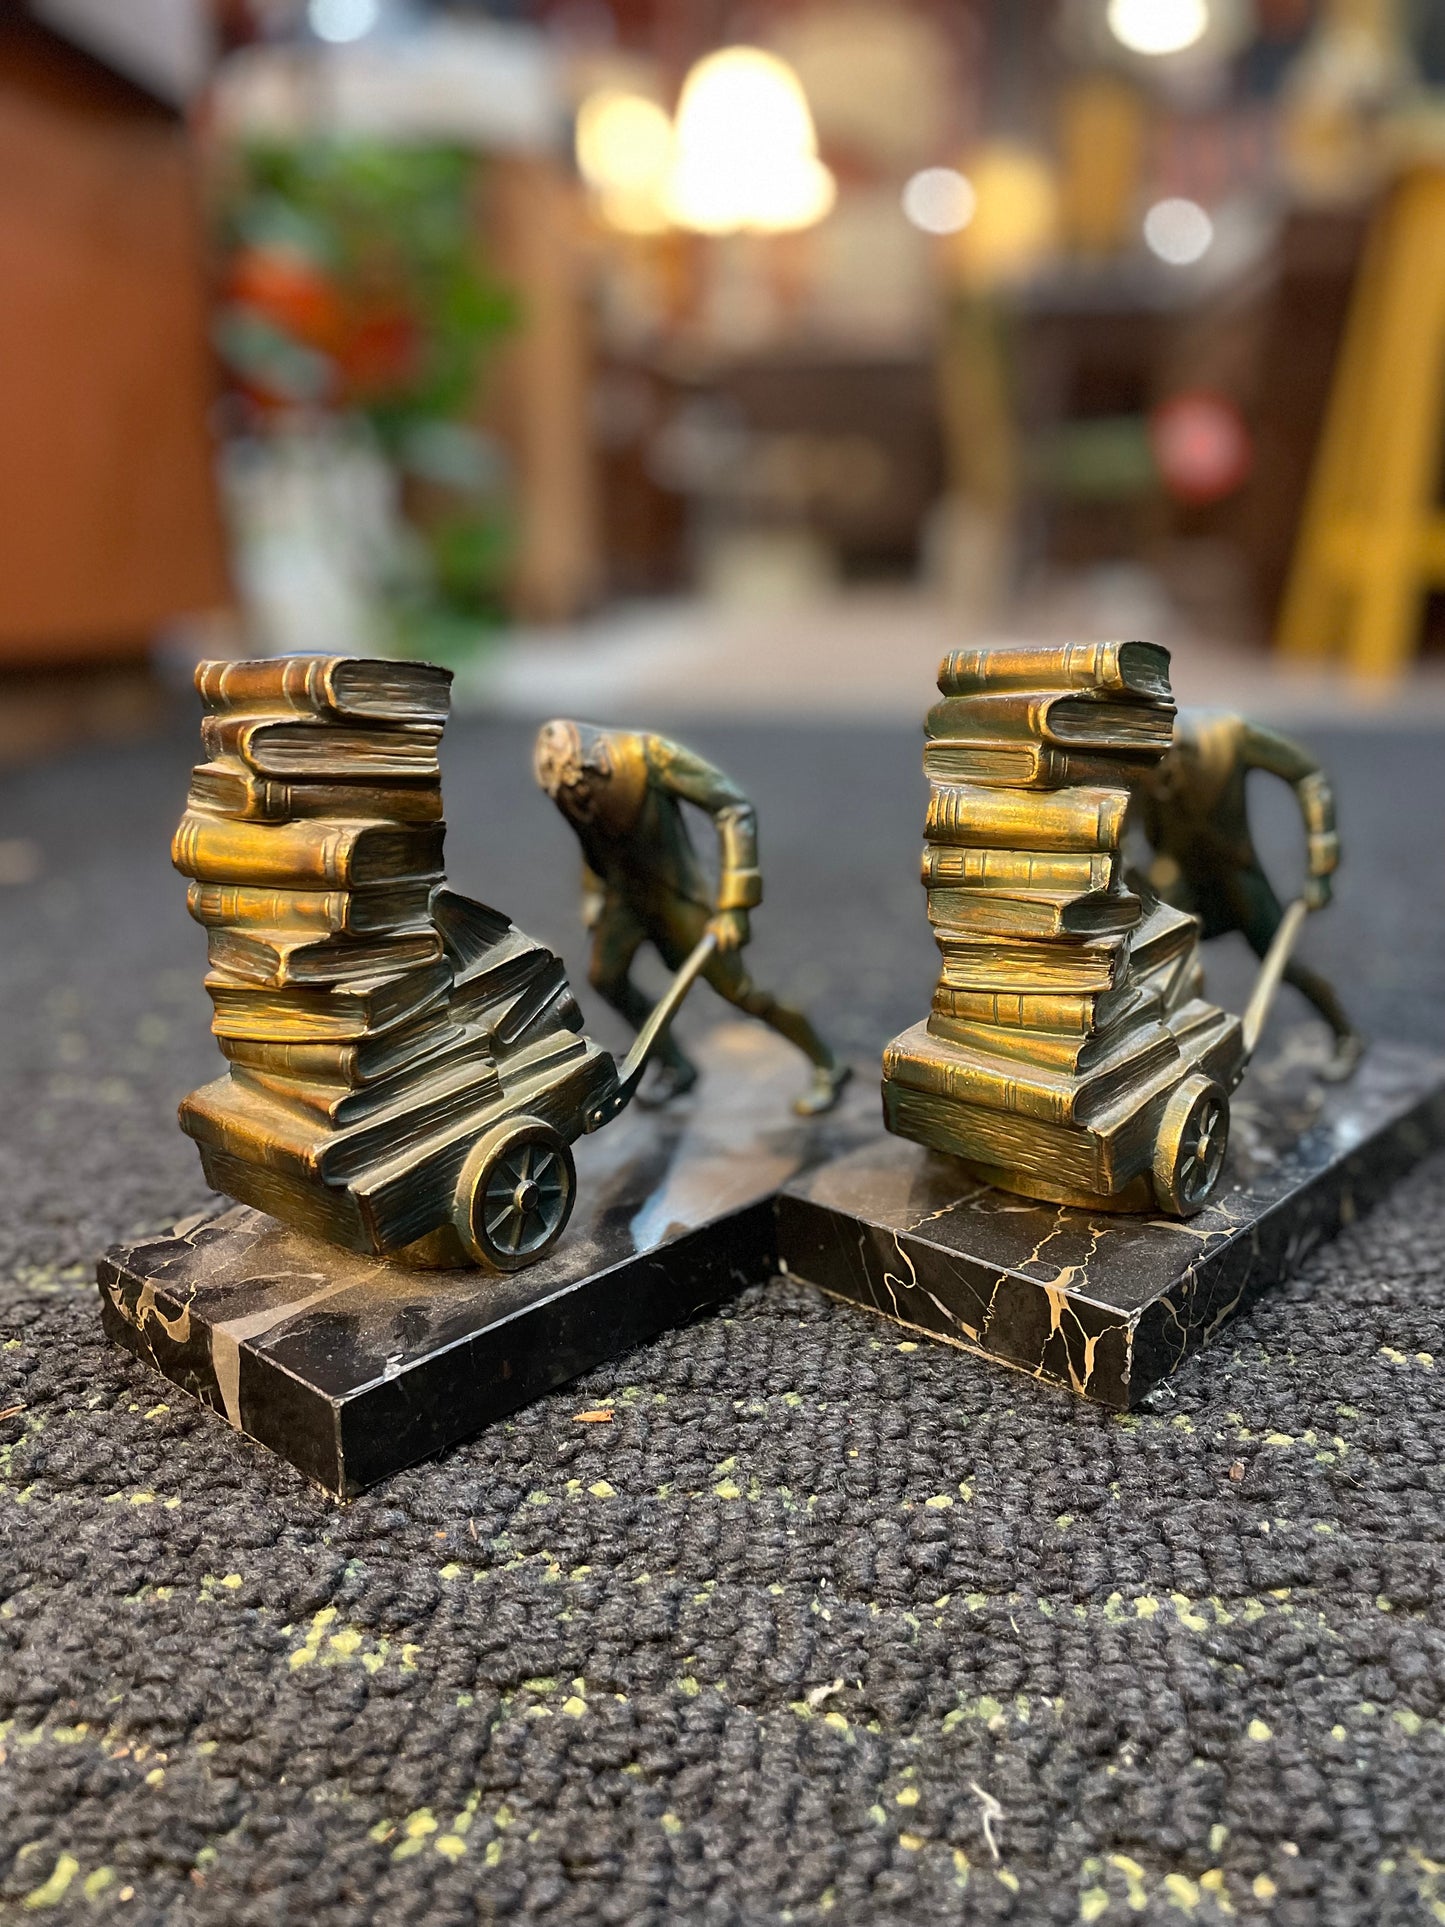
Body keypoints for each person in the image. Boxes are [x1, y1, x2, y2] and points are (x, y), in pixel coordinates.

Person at [534, 719, 851, 1114]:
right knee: (605, 977)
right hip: (624, 900)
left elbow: (732, 806)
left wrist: (735, 905)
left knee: (740, 991)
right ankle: (677, 1066)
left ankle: (827, 1064)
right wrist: (594, 896)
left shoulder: (649, 755)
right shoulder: (562, 784)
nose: (572, 793)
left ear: (591, 760)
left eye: (575, 784)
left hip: (675, 898)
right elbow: (594, 840)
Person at [1131, 709, 1363, 1080]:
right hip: (1176, 879)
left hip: (1236, 877)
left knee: (1281, 964)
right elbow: (1123, 826)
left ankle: (1345, 1034)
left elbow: (1307, 774)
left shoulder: (1228, 738)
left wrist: (1321, 865)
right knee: (1160, 967)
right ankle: (1166, 1062)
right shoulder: (1131, 752)